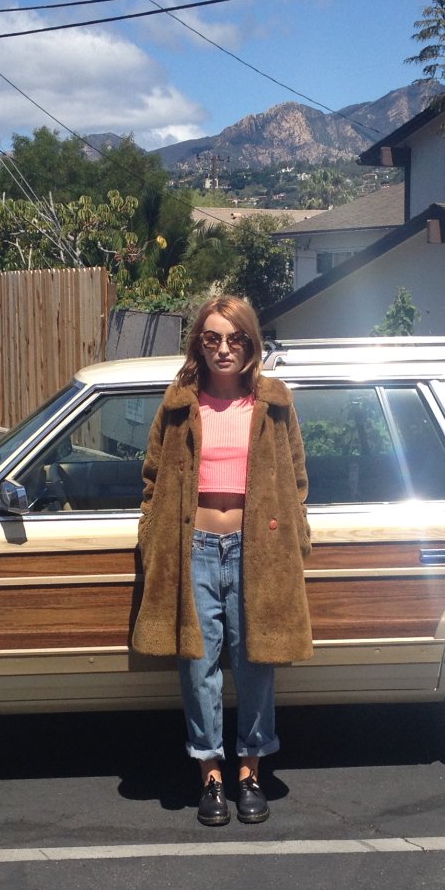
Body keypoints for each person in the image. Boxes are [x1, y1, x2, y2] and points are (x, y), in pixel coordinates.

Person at [132, 295, 313, 826]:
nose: (224, 349)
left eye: (236, 338)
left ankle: (250, 772)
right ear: (199, 344)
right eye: (212, 338)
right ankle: (210, 773)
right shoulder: (179, 405)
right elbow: (152, 478)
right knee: (198, 668)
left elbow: (297, 479)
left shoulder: (274, 405)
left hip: (259, 551)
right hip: (193, 549)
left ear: (252, 344)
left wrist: (297, 535)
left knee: (256, 664)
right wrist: (152, 536)